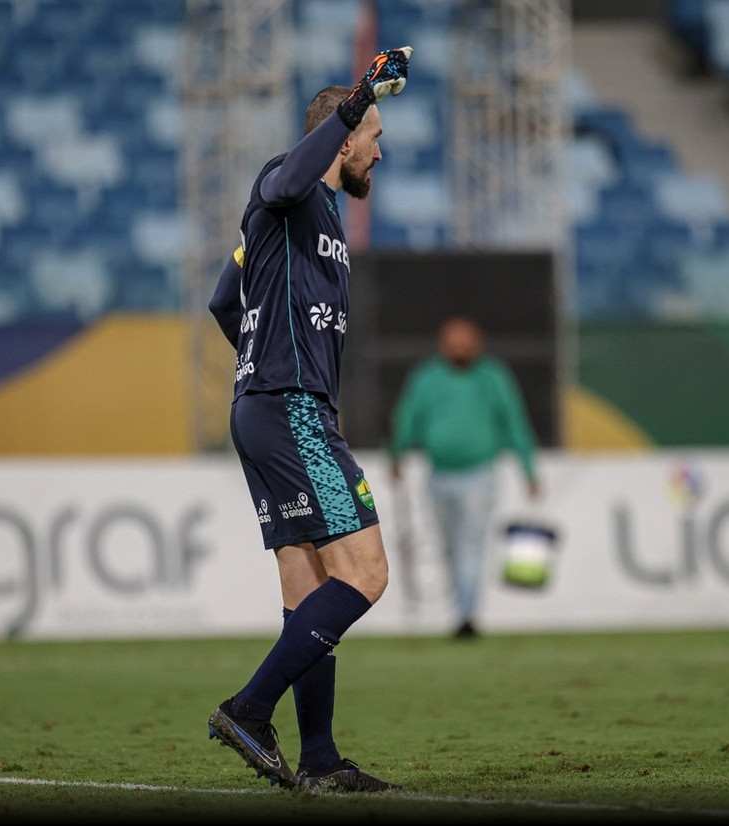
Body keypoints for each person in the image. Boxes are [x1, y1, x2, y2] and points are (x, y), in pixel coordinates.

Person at [205, 45, 413, 794]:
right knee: (368, 572)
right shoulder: (285, 184)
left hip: (267, 407)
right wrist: (358, 98)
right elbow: (291, 174)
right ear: (345, 137)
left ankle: (320, 760)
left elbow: (226, 302)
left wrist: (265, 368)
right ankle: (249, 709)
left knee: (308, 586)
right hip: (287, 409)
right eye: (374, 138)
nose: (379, 153)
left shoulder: (304, 217)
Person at [388, 316, 540, 639]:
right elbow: (407, 416)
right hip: (438, 476)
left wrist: (529, 469)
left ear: (478, 343)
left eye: (464, 341)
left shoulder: (493, 376)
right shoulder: (427, 378)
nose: (458, 347)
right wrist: (396, 453)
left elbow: (513, 420)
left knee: (469, 544)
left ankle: (466, 615)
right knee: (449, 547)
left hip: (479, 474)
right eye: (452, 341)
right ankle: (461, 609)